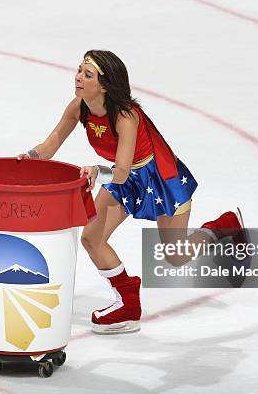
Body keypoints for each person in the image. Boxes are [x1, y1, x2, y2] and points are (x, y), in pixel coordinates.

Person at [16, 50, 245, 334]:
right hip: (126, 176)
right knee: (91, 237)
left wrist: (97, 172)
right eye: (78, 71)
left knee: (175, 255)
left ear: (105, 85)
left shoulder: (125, 116)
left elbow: (122, 172)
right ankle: (128, 301)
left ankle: (222, 228)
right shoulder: (79, 106)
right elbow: (52, 142)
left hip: (160, 178)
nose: (78, 78)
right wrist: (31, 156)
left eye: (87, 75)